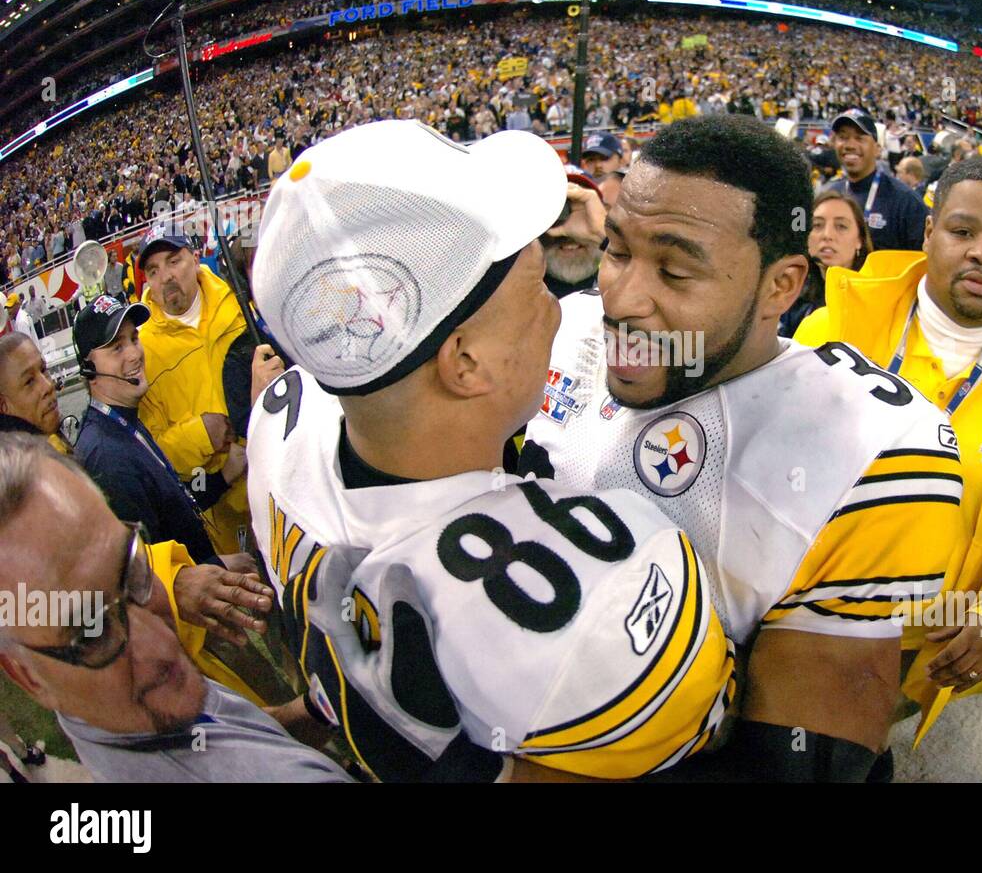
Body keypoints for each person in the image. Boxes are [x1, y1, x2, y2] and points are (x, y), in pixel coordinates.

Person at [247, 120, 735, 782]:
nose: (561, 313)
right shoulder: (599, 597)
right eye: (537, 288)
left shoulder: (283, 411)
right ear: (465, 362)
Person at [521, 115, 966, 782]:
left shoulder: (866, 450)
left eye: (674, 269)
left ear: (781, 287)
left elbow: (792, 768)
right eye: (616, 251)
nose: (621, 295)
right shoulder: (559, 331)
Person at [795, 158, 982, 752]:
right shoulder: (829, 334)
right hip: (801, 625)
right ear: (928, 234)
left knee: (855, 755)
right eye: (962, 232)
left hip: (920, 653)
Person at [0, 433, 351, 783]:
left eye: (130, 565)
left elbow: (234, 733)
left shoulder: (95, 699)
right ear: (27, 677)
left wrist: (329, 703)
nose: (162, 643)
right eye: (92, 631)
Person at [72, 295, 245, 567]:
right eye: (117, 347)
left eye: (133, 339)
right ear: (88, 369)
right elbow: (149, 577)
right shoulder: (107, 459)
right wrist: (217, 569)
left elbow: (172, 503)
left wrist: (222, 479)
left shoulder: (124, 423)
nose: (134, 353)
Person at [135, 226, 250, 555]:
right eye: (153, 271)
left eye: (174, 261)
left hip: (279, 473)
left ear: (196, 259)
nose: (166, 277)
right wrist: (203, 435)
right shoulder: (143, 351)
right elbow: (153, 451)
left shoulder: (238, 302)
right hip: (219, 513)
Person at [821, 108, 928, 252]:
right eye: (843, 137)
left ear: (877, 149)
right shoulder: (829, 194)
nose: (850, 145)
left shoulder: (906, 201)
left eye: (859, 138)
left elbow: (923, 264)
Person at [780, 192, 871, 337]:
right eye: (817, 225)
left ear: (859, 240)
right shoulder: (789, 294)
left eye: (841, 226)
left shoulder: (874, 299)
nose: (827, 235)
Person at [0, 332, 70, 453]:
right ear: (3, 406)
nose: (48, 386)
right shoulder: (20, 469)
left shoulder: (55, 446)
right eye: (29, 381)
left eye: (43, 370)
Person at [540, 177, 607, 299]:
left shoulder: (621, 290)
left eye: (586, 212)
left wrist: (604, 236)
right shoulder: (507, 293)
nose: (570, 234)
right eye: (558, 213)